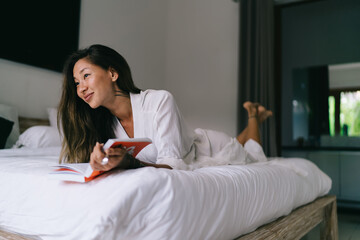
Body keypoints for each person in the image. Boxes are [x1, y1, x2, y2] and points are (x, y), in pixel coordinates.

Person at [58, 44, 273, 171]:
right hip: (191, 142)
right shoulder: (104, 125)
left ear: (113, 74)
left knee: (255, 154)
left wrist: (130, 163)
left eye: (86, 76)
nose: (81, 88)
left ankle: (254, 115)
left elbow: (173, 167)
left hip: (213, 148)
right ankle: (256, 117)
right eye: (76, 83)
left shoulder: (159, 101)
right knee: (243, 143)